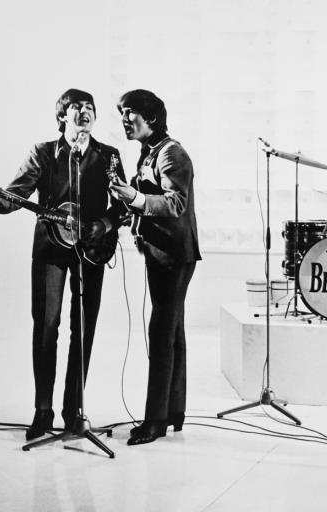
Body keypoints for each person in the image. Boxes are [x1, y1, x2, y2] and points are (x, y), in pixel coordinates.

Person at [0, 88, 126, 440]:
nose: (85, 112)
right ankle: (43, 411)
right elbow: (16, 194)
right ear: (62, 115)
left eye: (90, 107)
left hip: (92, 250)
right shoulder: (43, 153)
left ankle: (74, 410)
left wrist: (103, 225)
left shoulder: (109, 156)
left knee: (84, 329)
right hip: (50, 250)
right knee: (46, 327)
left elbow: (121, 206)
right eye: (77, 107)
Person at [108, 89, 201, 446]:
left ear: (151, 117)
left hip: (173, 256)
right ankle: (173, 413)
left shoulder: (171, 153)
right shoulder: (150, 151)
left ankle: (155, 421)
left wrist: (134, 197)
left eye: (130, 112)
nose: (124, 119)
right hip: (163, 254)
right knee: (172, 333)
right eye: (122, 113)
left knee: (161, 334)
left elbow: (176, 204)